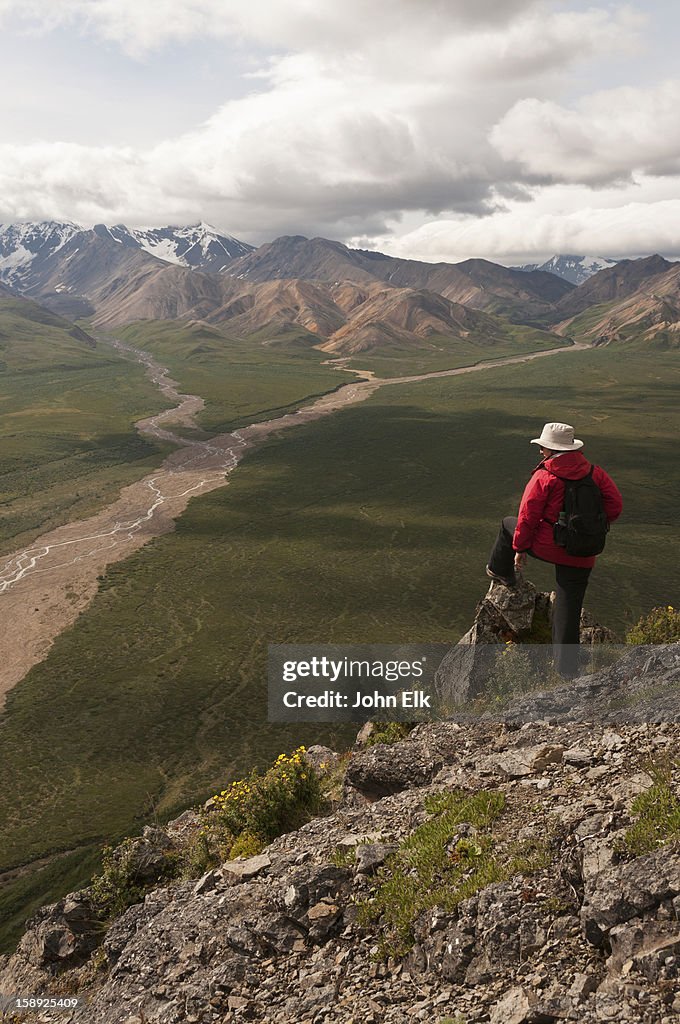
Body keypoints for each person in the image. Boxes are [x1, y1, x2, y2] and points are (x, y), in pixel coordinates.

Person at [485, 422, 623, 678]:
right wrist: (590, 527)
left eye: (544, 447)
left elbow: (527, 516)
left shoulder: (545, 476)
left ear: (552, 449)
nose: (540, 451)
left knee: (507, 524)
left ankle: (499, 570)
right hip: (583, 551)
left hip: (549, 545)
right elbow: (615, 506)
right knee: (568, 607)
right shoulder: (595, 473)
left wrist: (520, 548)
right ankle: (567, 670)